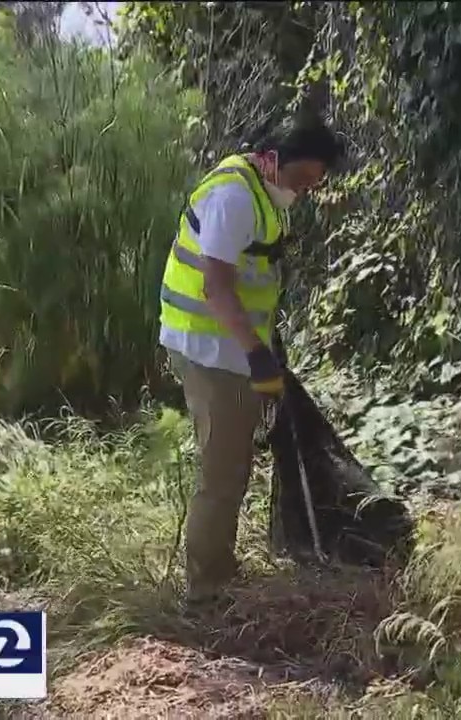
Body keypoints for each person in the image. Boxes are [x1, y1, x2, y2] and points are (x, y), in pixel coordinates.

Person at [158, 117, 343, 607]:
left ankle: (219, 570)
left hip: (232, 344)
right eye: (303, 177)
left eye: (315, 182)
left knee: (234, 464)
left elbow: (252, 275)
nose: (306, 189)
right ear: (272, 158)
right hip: (208, 348)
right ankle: (205, 590)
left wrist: (264, 341)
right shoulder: (235, 198)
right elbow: (215, 285)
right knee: (223, 472)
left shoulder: (264, 193)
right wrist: (257, 355)